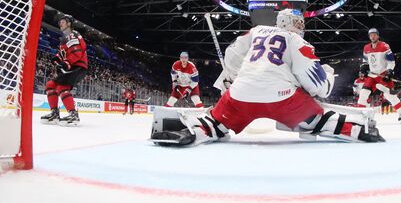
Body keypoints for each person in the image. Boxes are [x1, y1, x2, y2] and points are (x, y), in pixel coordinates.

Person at [151, 9, 384, 146]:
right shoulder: (297, 41)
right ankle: (357, 129)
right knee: (318, 119)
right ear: (290, 23)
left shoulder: (256, 31)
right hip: (282, 100)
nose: (301, 26)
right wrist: (329, 77)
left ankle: (192, 131)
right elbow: (317, 86)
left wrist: (231, 79)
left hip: (241, 95)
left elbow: (232, 54)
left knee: (216, 122)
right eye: (299, 22)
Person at [40, 14, 87, 126]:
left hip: (78, 66)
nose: (60, 23)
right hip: (73, 65)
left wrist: (66, 63)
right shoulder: (65, 37)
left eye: (63, 21)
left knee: (62, 87)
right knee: (50, 85)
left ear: (69, 23)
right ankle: (55, 113)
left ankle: (73, 115)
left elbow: (77, 52)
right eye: (60, 21)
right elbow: (64, 53)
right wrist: (57, 57)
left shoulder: (72, 34)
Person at [362, 28, 401, 123]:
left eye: (374, 34)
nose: (373, 36)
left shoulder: (384, 46)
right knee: (363, 94)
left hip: (383, 74)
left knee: (389, 95)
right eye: (371, 35)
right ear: (369, 37)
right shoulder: (366, 48)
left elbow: (391, 61)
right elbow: (365, 61)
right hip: (372, 75)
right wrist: (364, 67)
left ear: (378, 36)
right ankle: (361, 116)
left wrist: (389, 71)